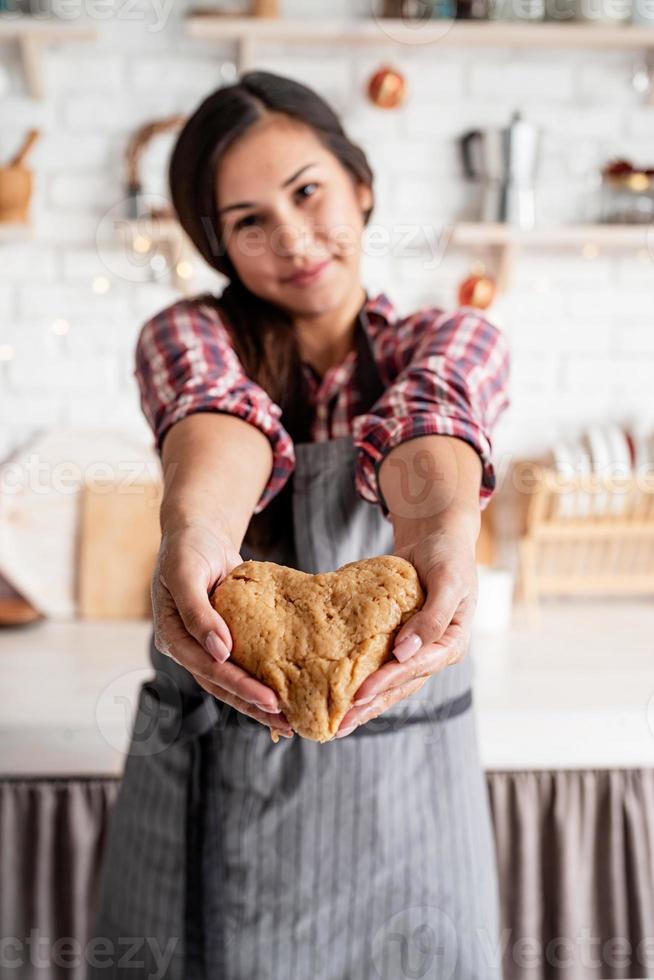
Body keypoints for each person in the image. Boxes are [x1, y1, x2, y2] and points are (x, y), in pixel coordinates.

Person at [88, 70, 511, 980]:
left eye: (306, 191)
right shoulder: (186, 335)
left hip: (408, 816)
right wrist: (197, 530)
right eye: (247, 220)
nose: (290, 236)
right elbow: (218, 423)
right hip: (210, 799)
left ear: (359, 183)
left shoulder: (450, 339)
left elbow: (432, 424)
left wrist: (437, 531)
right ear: (219, 247)